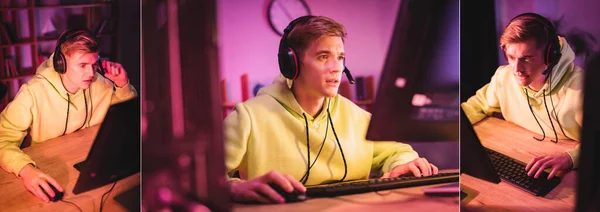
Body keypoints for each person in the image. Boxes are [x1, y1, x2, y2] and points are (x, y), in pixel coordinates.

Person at [224, 15, 438, 204]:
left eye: (341, 57)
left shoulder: (357, 117)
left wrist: (403, 164)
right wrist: (234, 187)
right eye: (323, 56)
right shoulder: (248, 117)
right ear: (292, 64)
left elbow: (398, 150)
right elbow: (202, 179)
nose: (337, 67)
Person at [0, 28, 138, 202]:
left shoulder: (100, 83)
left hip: (90, 171)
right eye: (82, 65)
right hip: (52, 172)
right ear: (61, 62)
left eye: (93, 64)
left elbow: (124, 120)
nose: (90, 73)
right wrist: (26, 170)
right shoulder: (32, 93)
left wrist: (122, 84)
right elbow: (2, 139)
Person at [461, 13, 584, 180]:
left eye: (526, 59)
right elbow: (477, 105)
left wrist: (570, 158)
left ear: (550, 55)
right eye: (511, 58)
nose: (516, 69)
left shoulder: (581, 89)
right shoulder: (504, 78)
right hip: (522, 155)